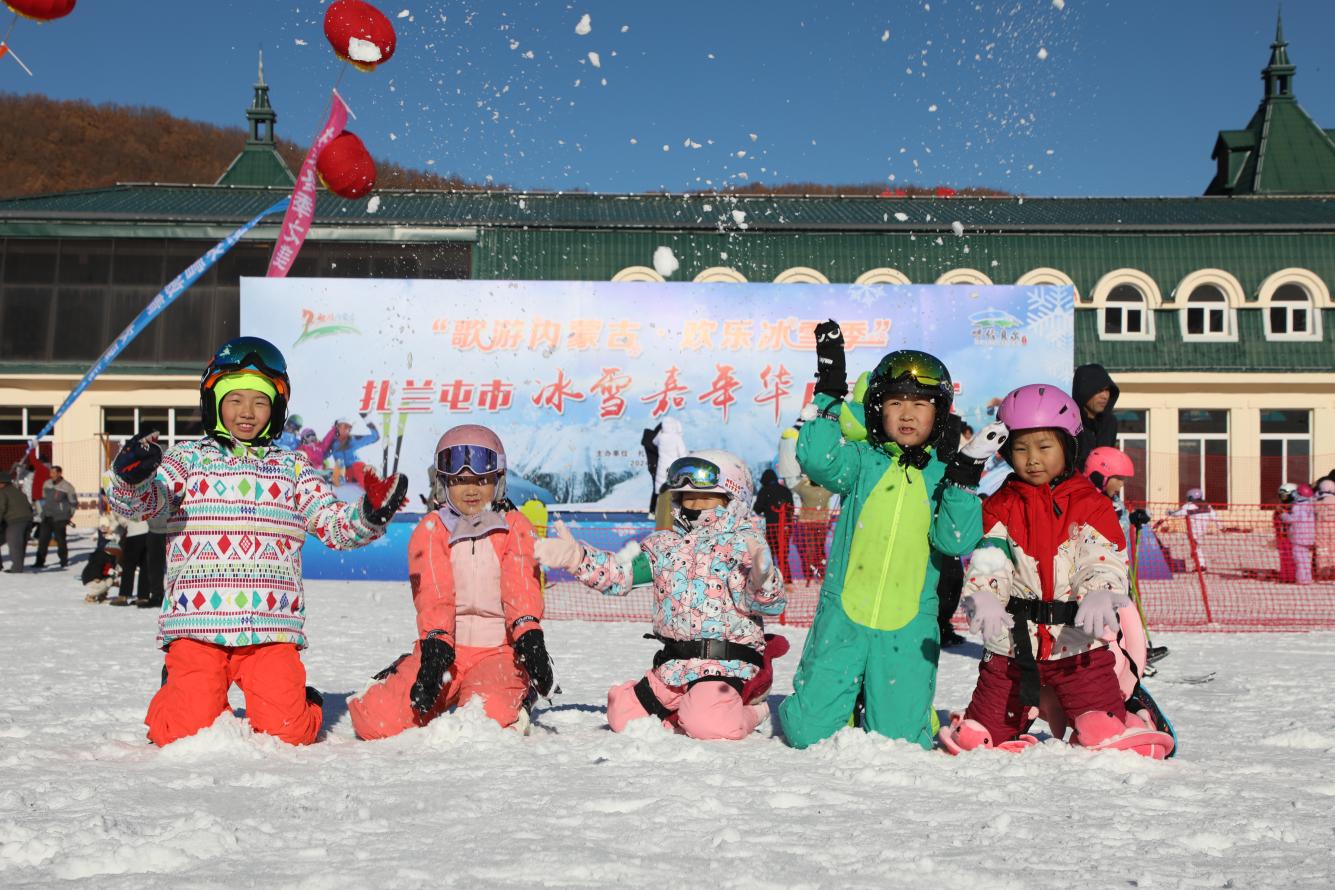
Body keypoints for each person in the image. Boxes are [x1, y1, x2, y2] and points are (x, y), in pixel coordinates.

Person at [105, 336, 408, 747]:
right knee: (181, 733)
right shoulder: (187, 459)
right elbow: (146, 503)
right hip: (197, 626)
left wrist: (369, 514)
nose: (247, 412)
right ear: (214, 403)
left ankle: (302, 701)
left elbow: (333, 523)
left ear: (276, 410)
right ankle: (176, 692)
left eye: (260, 402)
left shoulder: (293, 467)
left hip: (270, 626)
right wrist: (131, 478)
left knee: (290, 733)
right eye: (235, 400)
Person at [778, 327, 1004, 751]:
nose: (907, 414)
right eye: (896, 403)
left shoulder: (942, 474)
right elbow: (818, 460)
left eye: (920, 404)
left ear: (939, 414)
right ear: (877, 411)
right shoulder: (862, 460)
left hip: (907, 625)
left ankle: (883, 698)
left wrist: (963, 481)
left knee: (901, 741)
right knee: (806, 733)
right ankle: (837, 699)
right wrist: (829, 392)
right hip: (844, 615)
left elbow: (955, 541)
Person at [939, 384, 1172, 758]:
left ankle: (1131, 714)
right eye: (1020, 448)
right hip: (1011, 649)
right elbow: (990, 559)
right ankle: (1011, 717)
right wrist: (983, 596)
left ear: (1068, 446)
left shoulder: (1088, 504)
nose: (1032, 459)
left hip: (1078, 647)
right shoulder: (1001, 505)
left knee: (1103, 734)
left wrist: (1100, 591)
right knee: (975, 741)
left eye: (1044, 447)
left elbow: (1102, 556)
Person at [536, 450, 786, 740]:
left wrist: (764, 578)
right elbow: (619, 574)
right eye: (687, 497)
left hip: (728, 662)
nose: (693, 505)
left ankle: (753, 708)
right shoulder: (663, 546)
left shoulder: (744, 546)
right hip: (676, 666)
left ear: (733, 501)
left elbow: (769, 603)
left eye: (705, 499)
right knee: (624, 716)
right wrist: (576, 558)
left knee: (709, 724)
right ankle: (688, 703)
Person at [349, 424, 552, 738]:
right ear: (443, 483)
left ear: (498, 481)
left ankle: (518, 693)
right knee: (375, 722)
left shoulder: (514, 526)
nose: (471, 490)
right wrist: (434, 653)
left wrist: (528, 638)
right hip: (446, 650)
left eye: (481, 480)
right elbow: (434, 594)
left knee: (484, 721)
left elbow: (520, 586)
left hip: (498, 651)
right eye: (459, 481)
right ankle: (403, 673)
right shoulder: (433, 529)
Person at [1071, 363, 1120, 468]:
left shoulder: (1110, 423)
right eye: (1099, 390)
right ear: (1083, 391)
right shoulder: (1068, 423)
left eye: (1107, 390)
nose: (1105, 396)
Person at [753, 468, 794, 584]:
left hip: (771, 527)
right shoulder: (785, 490)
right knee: (783, 554)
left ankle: (772, 579)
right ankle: (787, 580)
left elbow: (757, 509)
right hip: (785, 526)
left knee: (770, 555)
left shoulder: (764, 491)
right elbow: (791, 508)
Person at [32, 464, 77, 569]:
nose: (51, 474)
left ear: (59, 473)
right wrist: (42, 513)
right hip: (47, 516)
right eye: (50, 472)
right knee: (43, 540)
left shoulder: (67, 487)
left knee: (60, 540)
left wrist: (68, 516)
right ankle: (39, 561)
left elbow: (73, 502)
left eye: (53, 472)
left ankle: (63, 561)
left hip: (60, 518)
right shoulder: (46, 484)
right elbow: (43, 499)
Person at [791, 473, 832, 584]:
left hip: (807, 523)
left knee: (809, 550)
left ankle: (808, 576)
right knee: (820, 549)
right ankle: (821, 575)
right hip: (822, 523)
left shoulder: (805, 491)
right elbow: (833, 487)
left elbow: (795, 488)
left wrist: (805, 480)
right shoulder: (825, 492)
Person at [1164, 488, 1215, 571]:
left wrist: (1171, 513)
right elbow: (1214, 516)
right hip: (1203, 531)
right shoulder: (1207, 506)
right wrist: (1221, 527)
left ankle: (1200, 566)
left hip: (1193, 531)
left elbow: (1179, 513)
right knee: (1197, 548)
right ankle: (1200, 565)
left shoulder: (1188, 506)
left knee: (1195, 548)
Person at [319, 416, 380, 484]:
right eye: (340, 426)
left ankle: (372, 486)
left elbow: (375, 437)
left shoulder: (353, 440)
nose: (343, 429)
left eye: (346, 427)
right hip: (345, 474)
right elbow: (321, 456)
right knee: (334, 468)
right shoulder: (333, 444)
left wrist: (366, 418)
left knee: (356, 466)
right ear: (337, 428)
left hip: (358, 469)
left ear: (349, 429)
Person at [651, 417, 687, 527]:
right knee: (674, 495)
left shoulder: (661, 436)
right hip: (674, 468)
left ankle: (657, 516)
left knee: (662, 495)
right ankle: (673, 519)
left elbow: (654, 442)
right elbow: (683, 454)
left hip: (662, 467)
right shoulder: (676, 437)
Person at [1276, 483, 1315, 585]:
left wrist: (1282, 514)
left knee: (1299, 559)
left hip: (1298, 537)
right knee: (1305, 559)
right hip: (1308, 536)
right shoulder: (1310, 505)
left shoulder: (1297, 507)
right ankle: (1308, 578)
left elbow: (1292, 520)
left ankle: (1301, 579)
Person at [109, 515, 150, 607]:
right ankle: (143, 597)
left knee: (128, 564)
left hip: (134, 530)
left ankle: (124, 595)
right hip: (150, 529)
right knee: (145, 564)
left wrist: (127, 523)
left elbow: (119, 511)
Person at [0, 470, 33, 573]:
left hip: (15, 521)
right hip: (27, 520)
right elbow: (29, 506)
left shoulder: (2, 492)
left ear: (2, 483)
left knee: (14, 545)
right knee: (21, 545)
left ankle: (16, 569)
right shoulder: (18, 491)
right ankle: (18, 566)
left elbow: (1, 508)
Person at [1314, 478, 1335, 580]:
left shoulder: (1317, 502)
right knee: (1333, 551)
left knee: (1322, 551)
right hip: (1333, 530)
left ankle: (1323, 574)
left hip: (1321, 530)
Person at [641, 422, 661, 517]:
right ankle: (653, 511)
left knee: (658, 490)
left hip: (655, 466)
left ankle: (653, 511)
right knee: (657, 490)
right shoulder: (652, 440)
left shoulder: (650, 439)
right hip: (656, 467)